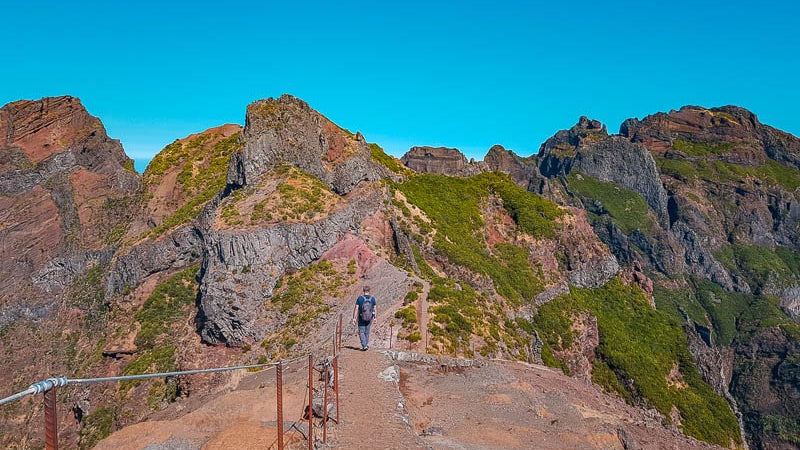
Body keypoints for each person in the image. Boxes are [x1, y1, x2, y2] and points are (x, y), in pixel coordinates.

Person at [352, 285, 377, 351]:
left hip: (361, 317)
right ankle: (366, 344)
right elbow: (374, 309)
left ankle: (364, 345)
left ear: (363, 290)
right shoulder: (372, 299)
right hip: (370, 317)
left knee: (361, 332)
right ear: (369, 290)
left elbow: (356, 309)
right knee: (367, 331)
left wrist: (354, 318)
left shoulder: (360, 298)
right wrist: (375, 317)